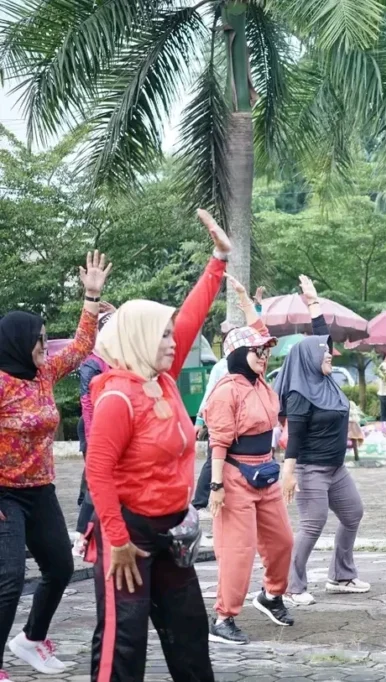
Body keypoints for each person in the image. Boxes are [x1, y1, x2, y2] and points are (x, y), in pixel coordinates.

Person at [85, 209, 228, 681]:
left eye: (170, 333)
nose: (172, 341)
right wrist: (118, 542)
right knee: (123, 640)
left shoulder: (160, 380)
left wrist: (217, 260)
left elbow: (190, 317)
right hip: (127, 534)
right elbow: (97, 473)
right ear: (142, 339)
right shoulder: (118, 398)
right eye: (162, 334)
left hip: (171, 531)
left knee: (188, 630)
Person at [0, 252, 110, 678]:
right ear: (16, 342)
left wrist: (91, 296)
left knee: (61, 567)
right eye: (40, 340)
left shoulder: (43, 374)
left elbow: (82, 347)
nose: (46, 346)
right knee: (9, 578)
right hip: (5, 493)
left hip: (40, 489)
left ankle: (30, 639)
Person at [204, 302, 294, 646]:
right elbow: (219, 442)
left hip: (265, 474)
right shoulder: (227, 390)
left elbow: (266, 335)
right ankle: (223, 618)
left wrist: (247, 301)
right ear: (239, 353)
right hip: (234, 476)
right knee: (238, 551)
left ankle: (271, 596)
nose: (263, 355)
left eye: (265, 351)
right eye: (256, 351)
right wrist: (216, 486)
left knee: (283, 541)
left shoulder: (261, 385)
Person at [278, 276, 370, 605]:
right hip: (310, 470)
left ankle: (341, 576)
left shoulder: (326, 383)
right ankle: (291, 585)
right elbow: (296, 438)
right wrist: (288, 474)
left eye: (328, 352)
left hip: (336, 469)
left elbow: (322, 339)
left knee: (353, 514)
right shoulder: (302, 393)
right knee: (313, 524)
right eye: (324, 354)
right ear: (308, 360)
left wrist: (314, 303)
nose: (329, 355)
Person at [192, 286, 264, 512]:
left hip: (242, 421)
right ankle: (200, 499)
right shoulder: (222, 366)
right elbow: (210, 393)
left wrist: (255, 306)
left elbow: (260, 335)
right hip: (222, 419)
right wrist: (200, 422)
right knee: (215, 456)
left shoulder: (252, 363)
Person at [74, 304, 116, 557]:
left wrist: (119, 312)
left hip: (113, 428)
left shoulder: (117, 359)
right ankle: (81, 537)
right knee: (95, 483)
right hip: (94, 427)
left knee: (99, 484)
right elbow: (87, 404)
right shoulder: (92, 363)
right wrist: (94, 440)